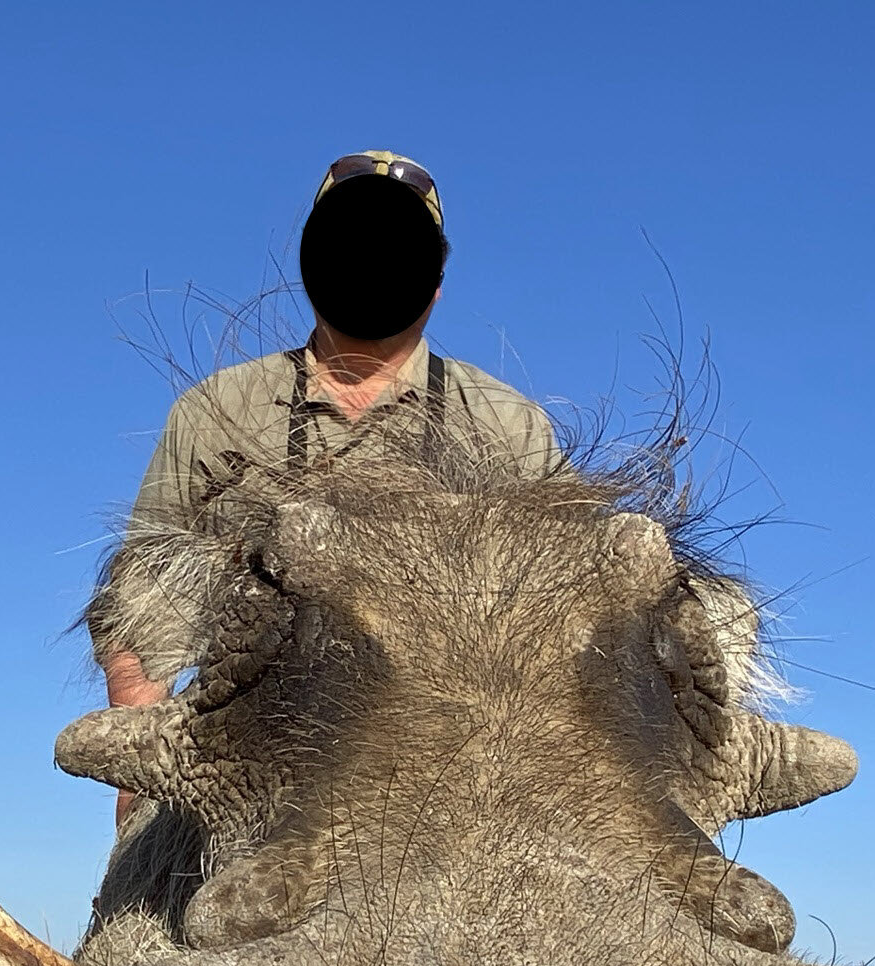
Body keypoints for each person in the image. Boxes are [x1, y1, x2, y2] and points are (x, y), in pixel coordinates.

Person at [91, 151, 566, 822]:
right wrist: (146, 778)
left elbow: (568, 620)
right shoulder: (215, 409)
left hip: (458, 778)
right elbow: (140, 592)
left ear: (432, 284)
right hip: (241, 761)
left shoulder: (511, 426)